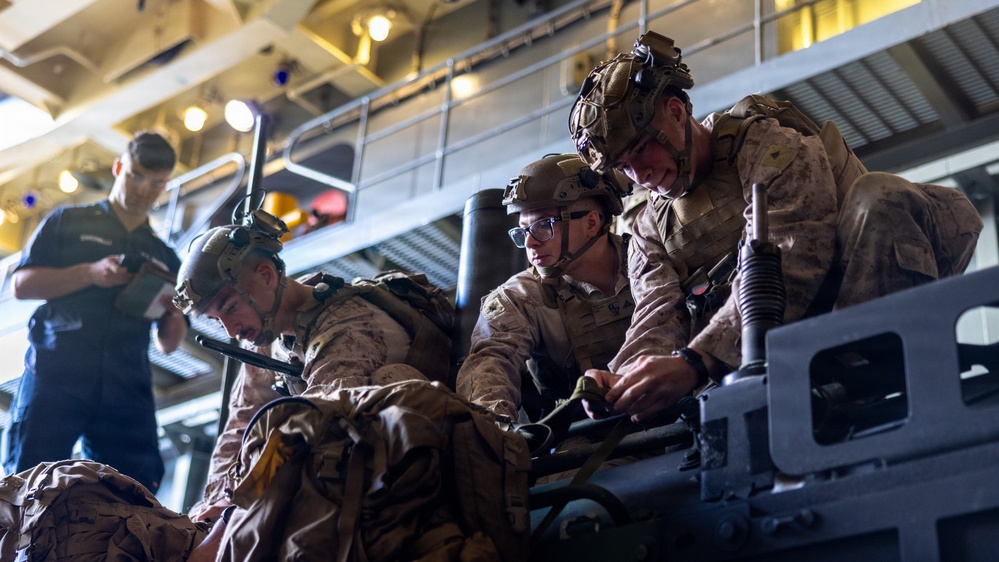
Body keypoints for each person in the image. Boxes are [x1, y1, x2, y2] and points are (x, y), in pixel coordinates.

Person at [568, 31, 984, 422]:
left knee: (878, 194)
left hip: (861, 299)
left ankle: (865, 377)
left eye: (642, 149)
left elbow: (794, 253)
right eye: (624, 166)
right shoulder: (648, 228)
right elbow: (657, 315)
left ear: (676, 112)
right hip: (775, 355)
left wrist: (697, 362)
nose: (639, 173)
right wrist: (620, 379)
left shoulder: (765, 145)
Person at [172, 209, 449, 522]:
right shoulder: (268, 340)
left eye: (232, 307)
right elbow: (239, 428)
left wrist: (235, 510)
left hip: (414, 481)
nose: (232, 331)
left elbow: (316, 436)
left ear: (266, 275)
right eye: (216, 320)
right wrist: (210, 511)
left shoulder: (346, 326)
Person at [3, 131, 186, 493]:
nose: (143, 190)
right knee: (27, 484)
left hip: (125, 384)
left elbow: (169, 343)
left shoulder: (165, 256)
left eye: (154, 183)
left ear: (165, 185)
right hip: (58, 369)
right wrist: (90, 273)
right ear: (119, 167)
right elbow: (21, 286)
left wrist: (173, 310)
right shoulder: (68, 222)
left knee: (133, 494)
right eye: (135, 176)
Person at [456, 153, 634, 424]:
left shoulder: (649, 256)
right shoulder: (519, 297)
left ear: (591, 223)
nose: (530, 244)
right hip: (585, 441)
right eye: (523, 231)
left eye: (543, 225)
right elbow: (491, 362)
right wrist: (495, 430)